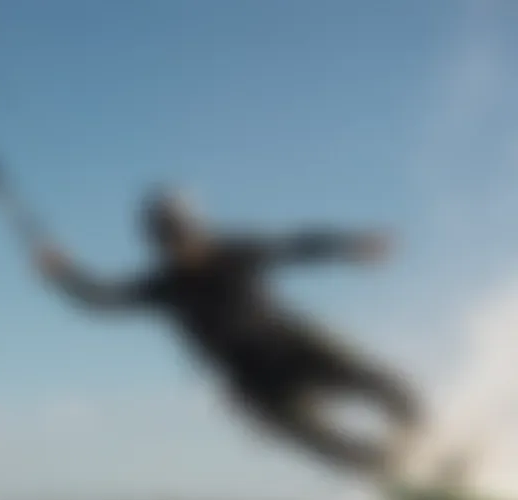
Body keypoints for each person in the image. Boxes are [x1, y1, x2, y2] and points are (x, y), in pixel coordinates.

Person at [34, 189, 419, 475]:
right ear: (157, 244)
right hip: (253, 384)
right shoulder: (164, 286)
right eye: (167, 240)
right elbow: (105, 298)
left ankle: (429, 442)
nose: (178, 246)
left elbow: (296, 246)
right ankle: (388, 470)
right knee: (319, 440)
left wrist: (350, 246)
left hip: (293, 346)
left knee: (377, 383)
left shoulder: (235, 252)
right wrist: (64, 274)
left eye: (182, 233)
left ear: (196, 227)